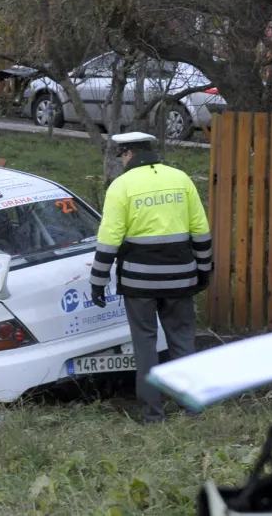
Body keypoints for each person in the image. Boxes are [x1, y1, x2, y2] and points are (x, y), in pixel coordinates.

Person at [90, 131, 212, 423]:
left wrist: (98, 280)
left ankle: (153, 414)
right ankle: (192, 406)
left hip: (139, 282)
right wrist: (204, 270)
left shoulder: (122, 186)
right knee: (182, 340)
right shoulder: (181, 179)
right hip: (181, 278)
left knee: (145, 345)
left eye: (122, 156)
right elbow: (200, 229)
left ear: (128, 153)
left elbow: (109, 239)